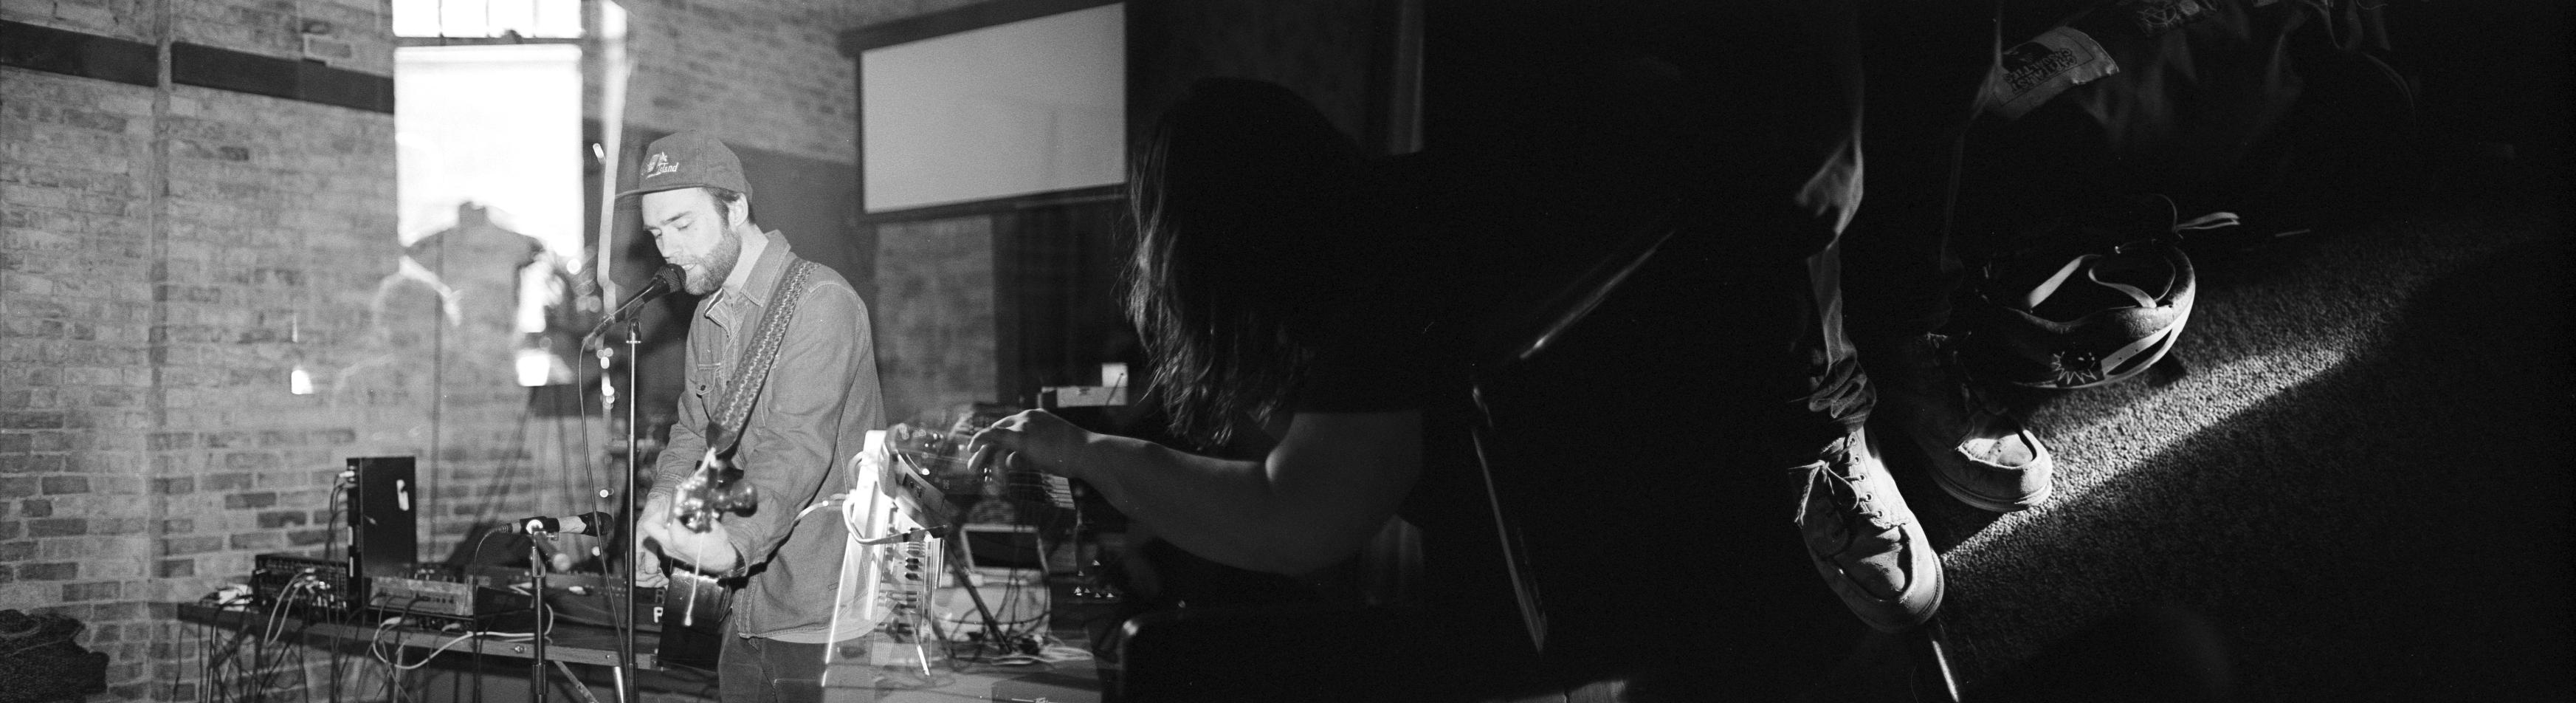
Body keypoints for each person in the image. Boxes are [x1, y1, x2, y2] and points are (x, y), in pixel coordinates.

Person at [968, 50, 1939, 696]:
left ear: (1217, 248)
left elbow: (1294, 520)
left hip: (1723, 504)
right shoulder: (1374, 233)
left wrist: (1077, 449)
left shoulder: (1373, 288)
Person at [621, 131, 888, 703]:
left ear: (735, 209)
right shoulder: (709, 315)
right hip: (740, 604)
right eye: (657, 233)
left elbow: (795, 448)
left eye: (683, 224)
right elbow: (696, 435)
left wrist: (732, 542)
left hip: (820, 608)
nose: (668, 250)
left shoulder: (820, 303)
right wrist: (659, 511)